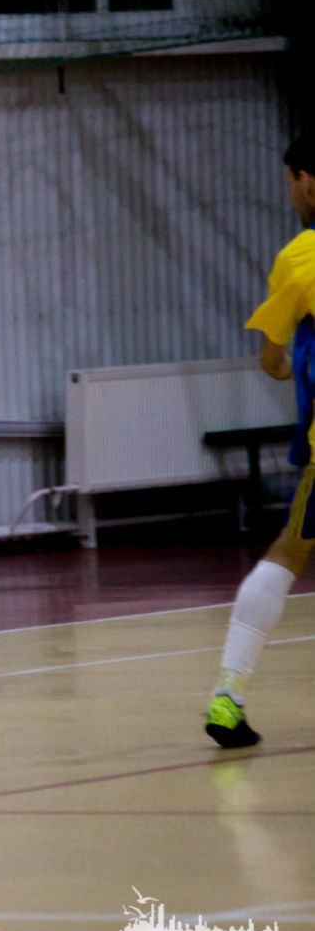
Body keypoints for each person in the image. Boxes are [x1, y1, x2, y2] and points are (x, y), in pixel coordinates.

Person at [203, 133, 315, 748]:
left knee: (288, 554)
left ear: (306, 180)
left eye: (290, 181)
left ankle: (228, 697)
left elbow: (270, 360)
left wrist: (293, 362)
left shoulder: (301, 257)